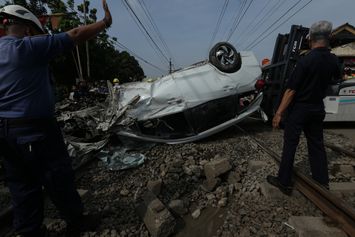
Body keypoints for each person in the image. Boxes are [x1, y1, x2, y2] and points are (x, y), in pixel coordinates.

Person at [0, 1, 112, 236]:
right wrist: (104, 22)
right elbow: (75, 34)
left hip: (5, 131)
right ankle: (76, 221)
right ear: (27, 27)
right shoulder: (27, 47)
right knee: (57, 175)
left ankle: (29, 231)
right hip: (35, 128)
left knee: (21, 183)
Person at [267, 20, 341, 195]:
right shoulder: (333, 60)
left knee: (290, 144)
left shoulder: (305, 61)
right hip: (317, 108)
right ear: (329, 37)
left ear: (310, 39)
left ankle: (284, 181)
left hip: (300, 109)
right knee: (316, 144)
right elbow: (334, 81)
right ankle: (322, 181)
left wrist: (279, 113)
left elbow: (291, 90)